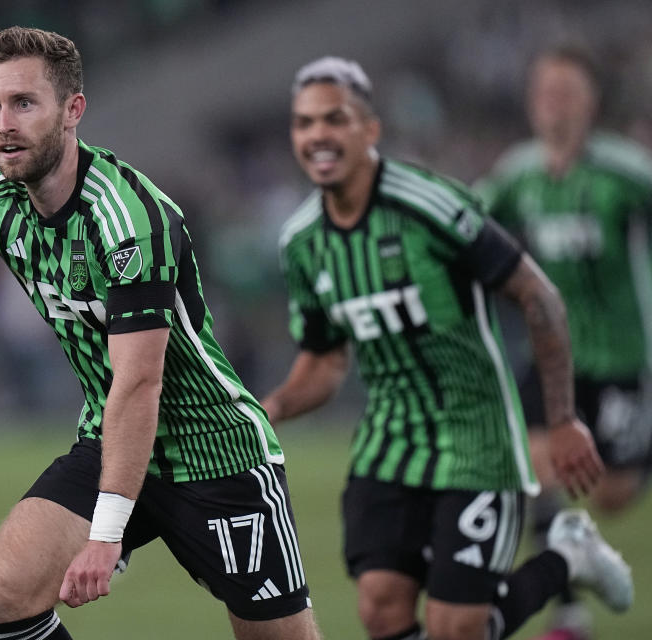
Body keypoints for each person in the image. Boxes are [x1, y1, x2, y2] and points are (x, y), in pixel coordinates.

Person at [0, 26, 322, 640]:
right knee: (7, 592)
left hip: (214, 453)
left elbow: (140, 379)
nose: (4, 123)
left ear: (73, 111)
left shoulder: (128, 221)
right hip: (112, 440)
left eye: (24, 103)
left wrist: (105, 535)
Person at [260, 56, 633, 640]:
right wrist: (273, 408)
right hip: (390, 439)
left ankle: (568, 557)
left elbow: (539, 300)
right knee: (380, 608)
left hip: (475, 435)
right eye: (304, 123)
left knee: (456, 627)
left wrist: (561, 421)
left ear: (369, 130)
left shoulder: (428, 206)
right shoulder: (301, 241)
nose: (318, 136)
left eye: (334, 119)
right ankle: (566, 557)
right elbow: (327, 358)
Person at [477, 44, 652, 640]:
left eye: (564, 91)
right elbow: (468, 223)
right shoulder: (518, 173)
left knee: (612, 495)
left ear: (590, 102)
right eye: (542, 90)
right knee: (534, 471)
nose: (550, 102)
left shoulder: (624, 174)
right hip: (553, 358)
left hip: (625, 359)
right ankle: (570, 606)